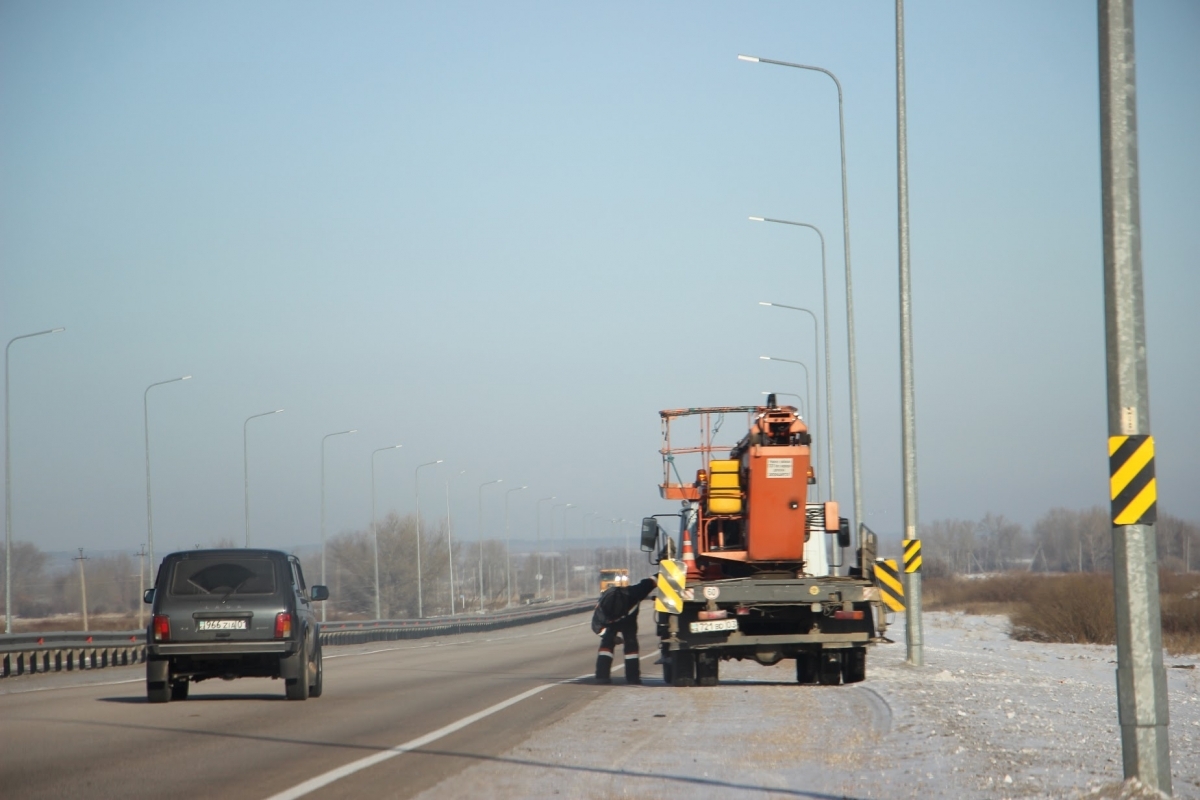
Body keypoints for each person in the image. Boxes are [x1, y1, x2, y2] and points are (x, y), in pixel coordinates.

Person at [592, 577, 656, 684]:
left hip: (628, 621)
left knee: (630, 646)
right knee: (608, 644)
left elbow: (650, 583)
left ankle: (606, 677)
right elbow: (596, 627)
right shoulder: (601, 609)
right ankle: (606, 677)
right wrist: (612, 637)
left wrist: (662, 574)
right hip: (614, 623)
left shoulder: (635, 593)